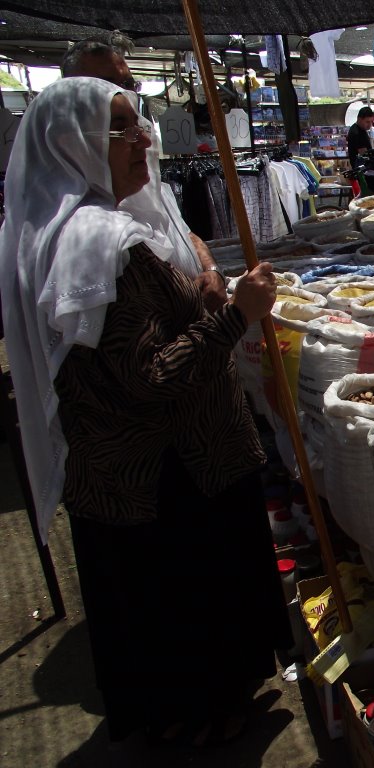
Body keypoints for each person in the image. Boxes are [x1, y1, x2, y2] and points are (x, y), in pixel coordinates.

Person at [0, 78, 291, 747]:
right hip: (168, 474)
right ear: (71, 144)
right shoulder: (96, 244)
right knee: (185, 606)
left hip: (134, 474)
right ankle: (203, 719)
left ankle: (199, 709)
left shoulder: (70, 229)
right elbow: (149, 377)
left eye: (140, 125)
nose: (143, 141)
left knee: (162, 612)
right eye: (120, 128)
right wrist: (233, 315)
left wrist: (201, 292)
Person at [61, 38, 228, 313]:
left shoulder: (144, 175)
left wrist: (211, 269)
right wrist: (237, 315)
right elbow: (137, 350)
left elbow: (184, 232)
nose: (123, 95)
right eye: (106, 85)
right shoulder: (89, 231)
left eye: (128, 85)